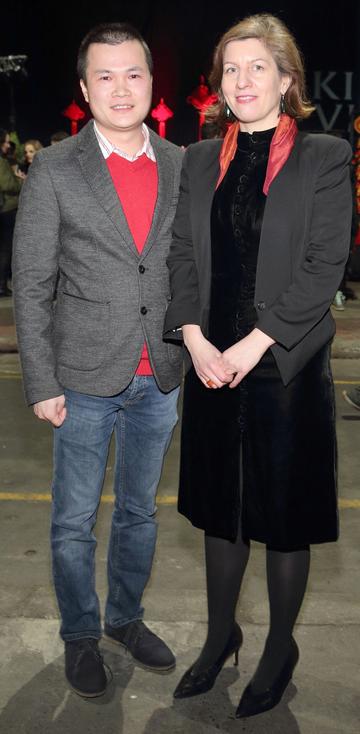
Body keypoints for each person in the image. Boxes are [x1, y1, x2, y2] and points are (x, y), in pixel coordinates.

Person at [164, 13, 352, 719]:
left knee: (284, 515)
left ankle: (279, 646)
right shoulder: (197, 159)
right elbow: (183, 256)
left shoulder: (324, 156)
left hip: (285, 366)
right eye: (231, 69)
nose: (242, 81)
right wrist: (195, 336)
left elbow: (322, 265)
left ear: (287, 79)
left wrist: (255, 342)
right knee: (221, 512)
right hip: (213, 362)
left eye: (258, 67)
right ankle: (220, 637)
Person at [13, 22, 183, 699]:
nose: (121, 87)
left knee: (140, 514)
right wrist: (40, 380)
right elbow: (31, 283)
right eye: (105, 76)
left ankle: (126, 618)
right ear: (85, 89)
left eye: (133, 73)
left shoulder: (180, 162)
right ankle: (80, 633)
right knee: (73, 519)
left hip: (162, 378)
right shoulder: (55, 170)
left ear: (150, 81)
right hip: (80, 380)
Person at [0, 129, 23, 296]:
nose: (8, 145)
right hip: (7, 210)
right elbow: (8, 185)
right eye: (6, 142)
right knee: (7, 249)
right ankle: (1, 285)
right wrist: (22, 181)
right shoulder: (1, 162)